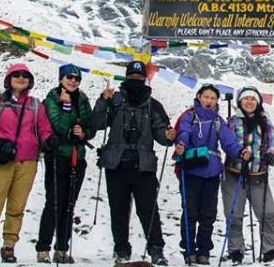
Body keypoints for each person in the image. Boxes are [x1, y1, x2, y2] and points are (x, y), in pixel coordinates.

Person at [91, 61, 175, 265]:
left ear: (145, 79)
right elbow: (96, 124)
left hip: (143, 166)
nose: (135, 81)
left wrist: (168, 135)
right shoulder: (114, 100)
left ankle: (156, 249)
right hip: (116, 165)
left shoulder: (154, 105)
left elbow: (161, 135)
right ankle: (121, 249)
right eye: (132, 78)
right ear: (126, 77)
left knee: (148, 209)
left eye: (139, 78)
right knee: (118, 209)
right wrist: (103, 101)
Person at [0, 63, 56, 265]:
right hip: (1, 159)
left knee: (17, 207)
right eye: (16, 75)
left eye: (25, 75)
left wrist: (49, 139)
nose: (21, 78)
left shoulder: (36, 105)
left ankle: (9, 245)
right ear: (9, 79)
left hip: (27, 161)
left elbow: (43, 128)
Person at [174, 84, 250, 265]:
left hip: (211, 173)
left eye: (213, 98)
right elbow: (183, 132)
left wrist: (239, 152)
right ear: (199, 97)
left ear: (217, 101)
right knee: (190, 212)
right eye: (206, 97)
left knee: (208, 214)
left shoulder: (218, 121)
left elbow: (228, 142)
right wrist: (181, 143)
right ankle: (189, 250)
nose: (209, 101)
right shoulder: (189, 116)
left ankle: (204, 251)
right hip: (191, 170)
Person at [36, 64, 95, 263]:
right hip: (58, 155)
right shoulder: (52, 98)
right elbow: (58, 123)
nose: (73, 81)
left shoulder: (84, 98)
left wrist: (84, 133)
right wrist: (67, 107)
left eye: (77, 79)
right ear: (61, 78)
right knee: (53, 202)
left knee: (69, 204)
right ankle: (43, 248)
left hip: (78, 157)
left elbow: (90, 124)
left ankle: (62, 248)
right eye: (69, 77)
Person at [221, 86, 274, 264]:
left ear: (258, 102)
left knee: (268, 213)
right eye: (246, 99)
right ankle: (236, 250)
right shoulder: (232, 121)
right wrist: (239, 152)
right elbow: (226, 142)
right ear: (240, 102)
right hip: (234, 175)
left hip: (258, 175)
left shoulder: (265, 121)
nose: (249, 102)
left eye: (253, 99)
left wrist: (271, 152)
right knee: (234, 215)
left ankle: (269, 249)